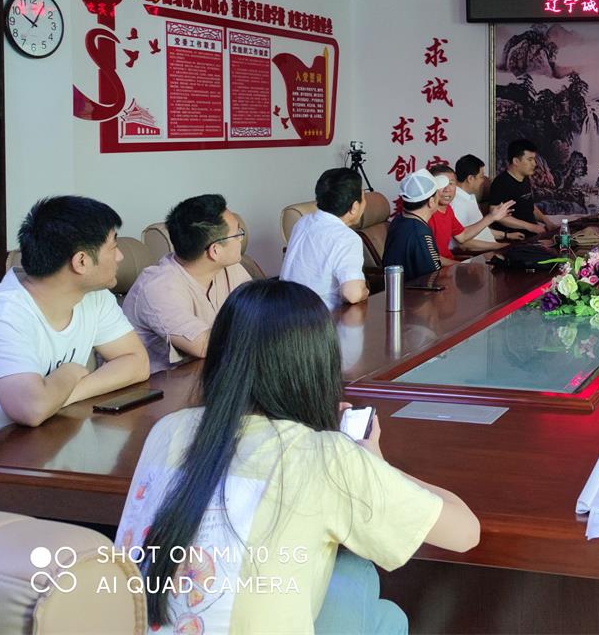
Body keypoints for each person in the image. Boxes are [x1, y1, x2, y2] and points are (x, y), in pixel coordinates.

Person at [117, 279, 480, 635]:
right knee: (380, 608)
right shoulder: (323, 456)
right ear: (316, 365)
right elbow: (465, 532)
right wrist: (372, 462)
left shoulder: (168, 429)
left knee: (355, 578)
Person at [0, 196, 150, 430]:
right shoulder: (3, 312)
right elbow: (31, 409)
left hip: (55, 432)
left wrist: (61, 395)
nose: (120, 257)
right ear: (81, 261)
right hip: (2, 443)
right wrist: (70, 372)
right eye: (114, 247)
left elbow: (137, 362)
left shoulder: (94, 296)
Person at [122, 194, 251, 373]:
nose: (241, 239)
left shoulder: (230, 268)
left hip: (211, 374)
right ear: (215, 251)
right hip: (159, 385)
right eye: (238, 234)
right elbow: (206, 346)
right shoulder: (158, 287)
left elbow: (261, 315)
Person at [282, 168, 370, 310]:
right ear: (354, 207)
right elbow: (352, 294)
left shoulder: (303, 222)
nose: (365, 202)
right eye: (363, 197)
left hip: (285, 313)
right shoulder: (346, 238)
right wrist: (364, 291)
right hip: (318, 319)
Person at [428, 163, 513, 255]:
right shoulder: (428, 214)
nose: (447, 189)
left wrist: (492, 217)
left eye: (451, 183)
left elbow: (462, 236)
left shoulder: (448, 209)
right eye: (441, 184)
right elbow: (433, 258)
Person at [384, 170, 450, 278]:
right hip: (416, 288)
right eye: (438, 194)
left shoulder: (399, 219)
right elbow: (432, 277)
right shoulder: (420, 233)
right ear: (431, 202)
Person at [488, 139, 557, 235]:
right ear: (516, 161)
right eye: (530, 160)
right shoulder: (500, 183)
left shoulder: (525, 179)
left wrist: (547, 222)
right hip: (517, 237)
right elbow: (496, 215)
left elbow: (529, 206)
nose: (534, 163)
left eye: (534, 159)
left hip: (533, 233)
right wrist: (531, 227)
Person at [452, 154, 524, 244]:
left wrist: (506, 235)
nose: (484, 181)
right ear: (470, 178)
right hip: (483, 251)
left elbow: (480, 230)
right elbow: (464, 242)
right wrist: (501, 246)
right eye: (481, 177)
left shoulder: (469, 197)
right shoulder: (456, 203)